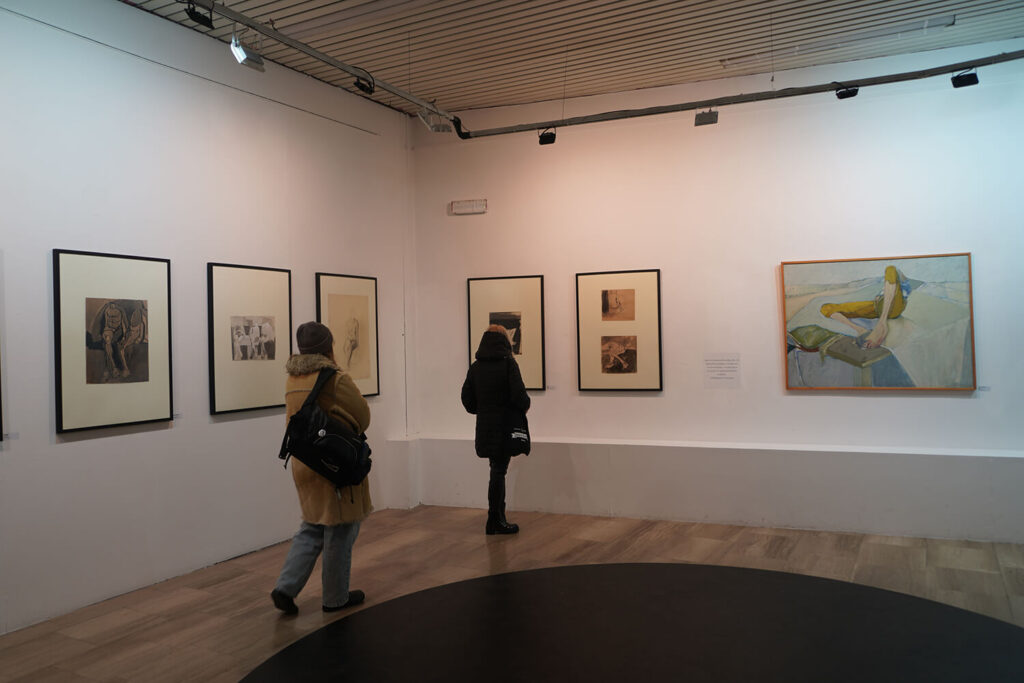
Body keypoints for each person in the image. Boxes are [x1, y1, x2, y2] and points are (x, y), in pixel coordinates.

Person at [271, 321, 372, 615]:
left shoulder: (292, 380)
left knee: (313, 526)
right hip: (333, 464)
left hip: (304, 463)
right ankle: (335, 598)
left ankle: (285, 588)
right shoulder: (335, 379)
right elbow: (363, 416)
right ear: (328, 347)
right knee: (340, 529)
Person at [461, 324, 531, 535]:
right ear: (505, 341)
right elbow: (520, 396)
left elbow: (467, 399)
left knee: (496, 469)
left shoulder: (476, 367)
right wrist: (523, 406)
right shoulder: (508, 364)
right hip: (505, 426)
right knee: (499, 471)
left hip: (485, 427)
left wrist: (483, 410)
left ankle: (497, 518)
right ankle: (495, 520)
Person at [819, 265, 908, 349]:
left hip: (893, 306)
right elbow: (852, 288)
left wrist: (882, 321)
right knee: (826, 308)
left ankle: (882, 322)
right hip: (875, 306)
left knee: (890, 269)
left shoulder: (899, 276)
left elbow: (894, 273)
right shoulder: (873, 279)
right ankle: (861, 330)